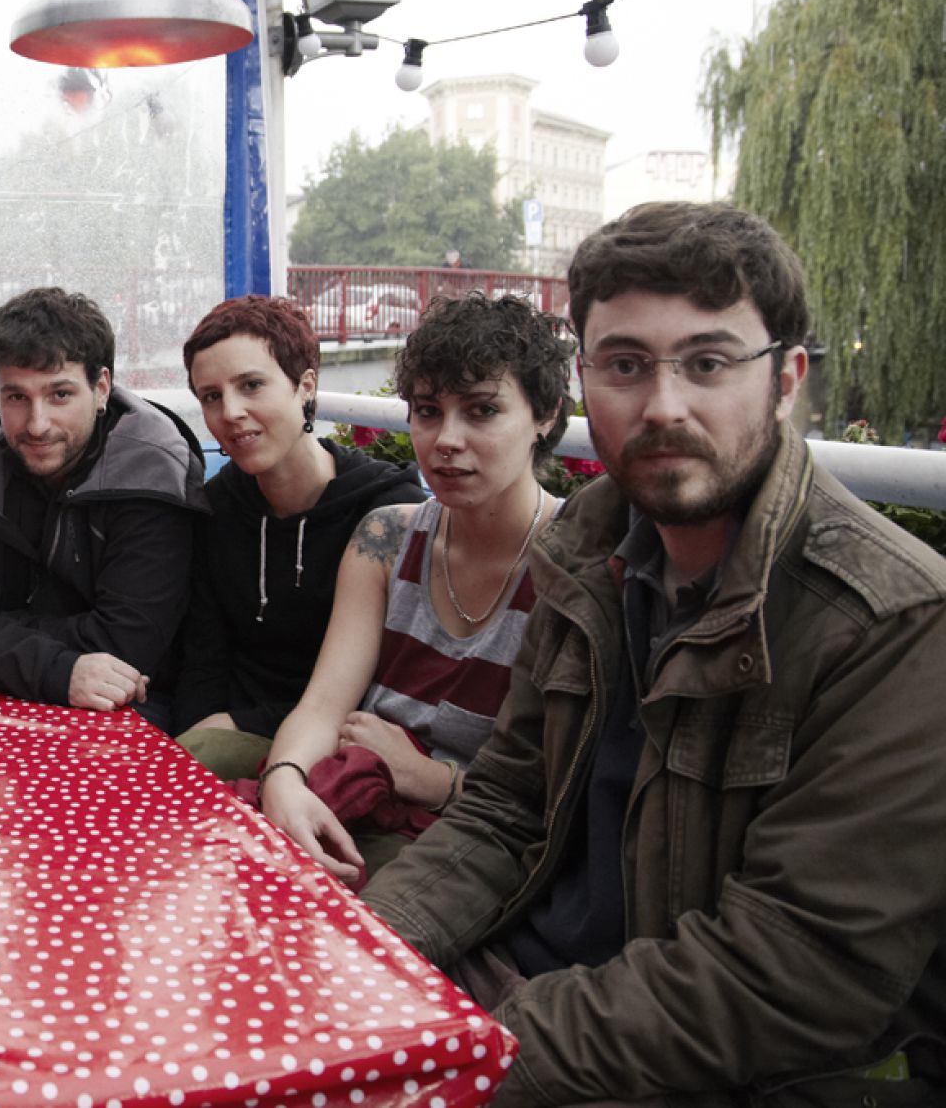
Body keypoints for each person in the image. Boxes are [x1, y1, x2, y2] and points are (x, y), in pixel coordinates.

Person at [361, 202, 946, 1105]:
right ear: (585, 380)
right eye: (627, 366)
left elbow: (792, 971)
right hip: (532, 990)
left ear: (785, 378)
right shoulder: (585, 557)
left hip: (697, 1061)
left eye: (708, 363)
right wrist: (356, 956)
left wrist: (470, 1056)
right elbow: (507, 810)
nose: (664, 405)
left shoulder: (894, 623)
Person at [256, 293, 572, 883]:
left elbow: (559, 783)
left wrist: (431, 779)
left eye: (481, 411)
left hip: (476, 840)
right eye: (428, 411)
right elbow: (325, 703)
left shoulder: (571, 563)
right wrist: (285, 780)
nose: (446, 439)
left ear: (545, 414)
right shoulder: (386, 536)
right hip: (356, 788)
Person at [0, 286, 208, 714]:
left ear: (102, 388)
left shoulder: (153, 468)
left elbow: (129, 646)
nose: (37, 425)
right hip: (17, 687)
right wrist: (59, 669)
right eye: (16, 397)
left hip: (132, 702)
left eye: (60, 395)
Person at [174, 295, 424, 777]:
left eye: (251, 386)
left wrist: (227, 730)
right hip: (222, 731)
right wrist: (194, 739)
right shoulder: (215, 509)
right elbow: (203, 659)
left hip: (343, 737)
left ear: (305, 386)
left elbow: (389, 676)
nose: (231, 412)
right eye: (211, 396)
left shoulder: (384, 510)